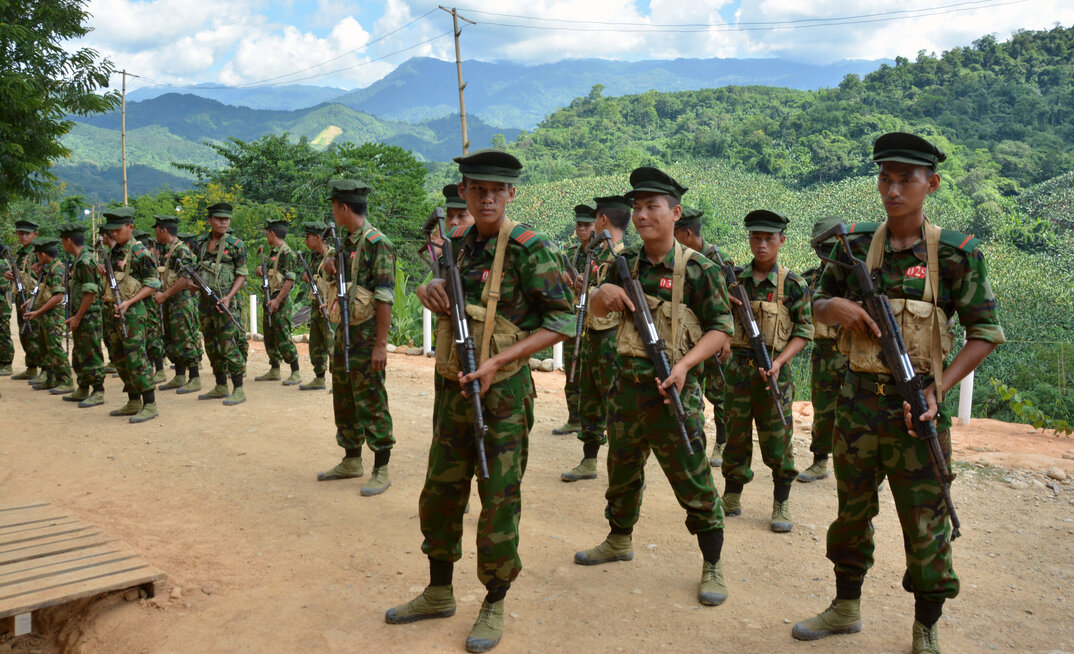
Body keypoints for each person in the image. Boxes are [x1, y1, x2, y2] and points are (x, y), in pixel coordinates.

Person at [792, 133, 1005, 654]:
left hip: (917, 412)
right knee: (851, 512)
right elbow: (816, 301)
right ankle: (845, 606)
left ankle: (925, 625)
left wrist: (940, 388)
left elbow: (985, 333)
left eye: (906, 179)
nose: (893, 188)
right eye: (885, 178)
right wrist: (833, 309)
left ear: (930, 184)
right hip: (858, 402)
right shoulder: (856, 245)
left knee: (926, 524)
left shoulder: (956, 255)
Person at [385, 149, 574, 653]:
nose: (487, 198)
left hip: (504, 394)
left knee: (498, 499)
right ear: (464, 192)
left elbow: (562, 321)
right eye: (477, 189)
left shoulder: (531, 249)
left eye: (497, 190)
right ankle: (439, 590)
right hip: (453, 386)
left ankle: (494, 598)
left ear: (511, 194)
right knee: (441, 491)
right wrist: (428, 289)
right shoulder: (459, 246)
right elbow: (445, 292)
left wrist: (497, 362)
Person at [573, 167, 734, 608]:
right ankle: (618, 539)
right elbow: (595, 307)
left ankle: (712, 564)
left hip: (673, 392)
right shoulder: (620, 265)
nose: (642, 216)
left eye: (652, 207)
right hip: (626, 389)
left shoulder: (699, 269)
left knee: (693, 478)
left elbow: (722, 329)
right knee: (621, 471)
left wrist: (683, 366)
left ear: (674, 212)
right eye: (637, 208)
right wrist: (601, 293)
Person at [721, 209, 812, 532]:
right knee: (735, 436)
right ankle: (732, 496)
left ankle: (781, 502)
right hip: (737, 371)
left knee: (778, 440)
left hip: (774, 372)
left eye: (769, 239)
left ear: (781, 241)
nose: (761, 245)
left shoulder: (793, 285)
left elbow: (804, 331)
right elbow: (719, 320)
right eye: (755, 238)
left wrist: (778, 362)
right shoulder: (735, 281)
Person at [316, 180, 396, 497]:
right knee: (345, 397)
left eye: (335, 207)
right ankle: (351, 459)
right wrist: (334, 268)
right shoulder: (345, 243)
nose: (334, 212)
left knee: (372, 399)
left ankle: (381, 467)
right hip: (345, 334)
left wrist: (380, 345)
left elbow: (385, 297)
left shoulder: (378, 243)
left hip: (366, 336)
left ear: (343, 208)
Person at [561, 194, 629, 482]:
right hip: (590, 333)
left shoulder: (624, 259)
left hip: (612, 339)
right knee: (589, 398)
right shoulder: (596, 255)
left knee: (613, 401)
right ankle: (589, 460)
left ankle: (623, 465)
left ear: (602, 220)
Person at [673, 206, 730, 467]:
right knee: (694, 389)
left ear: (686, 233)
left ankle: (722, 441)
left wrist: (725, 339)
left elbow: (732, 306)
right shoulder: (677, 259)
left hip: (716, 338)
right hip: (689, 338)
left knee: (719, 393)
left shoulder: (717, 261)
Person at [797, 217, 848, 483]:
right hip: (824, 353)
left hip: (854, 355)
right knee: (824, 409)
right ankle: (820, 461)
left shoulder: (857, 276)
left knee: (857, 413)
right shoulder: (809, 279)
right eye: (823, 248)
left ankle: (862, 469)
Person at [99, 207, 161, 423]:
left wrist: (130, 302)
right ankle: (133, 400)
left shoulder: (139, 252)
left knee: (136, 358)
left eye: (118, 230)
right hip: (114, 311)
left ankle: (150, 403)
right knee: (119, 358)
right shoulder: (116, 252)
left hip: (134, 313)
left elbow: (153, 283)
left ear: (130, 227)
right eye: (111, 231)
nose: (114, 234)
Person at [191, 202, 248, 406]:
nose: (223, 222)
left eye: (226, 219)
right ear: (210, 220)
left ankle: (238, 388)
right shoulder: (199, 242)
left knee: (227, 344)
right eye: (219, 218)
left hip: (225, 302)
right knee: (210, 345)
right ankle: (220, 385)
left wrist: (230, 296)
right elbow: (194, 269)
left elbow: (242, 274)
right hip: (205, 302)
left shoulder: (236, 245)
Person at [552, 202, 595, 436]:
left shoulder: (601, 254)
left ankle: (596, 423)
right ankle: (574, 417)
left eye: (586, 225)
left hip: (595, 321)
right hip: (574, 316)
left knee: (594, 374)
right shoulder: (572, 253)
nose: (581, 229)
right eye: (579, 224)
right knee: (572, 367)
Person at [152, 215, 204, 395]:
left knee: (185, 337)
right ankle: (180, 375)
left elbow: (185, 278)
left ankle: (194, 377)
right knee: (173, 339)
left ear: (163, 230)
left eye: (157, 230)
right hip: (170, 302)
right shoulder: (169, 250)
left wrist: (165, 294)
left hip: (180, 302)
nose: (156, 234)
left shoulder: (181, 250)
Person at [58, 222, 106, 407]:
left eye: (63, 240)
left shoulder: (85, 260)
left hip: (88, 315)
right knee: (80, 353)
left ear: (68, 240)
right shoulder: (79, 260)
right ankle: (83, 387)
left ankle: (98, 390)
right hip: (81, 314)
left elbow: (90, 292)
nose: (63, 244)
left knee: (91, 353)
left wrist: (78, 316)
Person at [22, 237, 74, 393]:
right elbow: (45, 290)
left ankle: (66, 381)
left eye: (37, 255)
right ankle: (51, 379)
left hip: (53, 315)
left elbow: (58, 296)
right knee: (46, 349)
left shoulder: (57, 269)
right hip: (45, 314)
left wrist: (38, 311)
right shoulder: (47, 269)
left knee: (55, 348)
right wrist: (32, 300)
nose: (37, 259)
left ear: (43, 254)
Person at [254, 218, 302, 386]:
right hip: (269, 298)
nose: (266, 236)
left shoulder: (287, 253)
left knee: (282, 334)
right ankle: (274, 368)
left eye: (267, 233)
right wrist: (261, 271)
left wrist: (277, 300)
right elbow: (270, 274)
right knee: (269, 334)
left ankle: (295, 371)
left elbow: (289, 280)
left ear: (272, 234)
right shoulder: (272, 254)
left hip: (280, 301)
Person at [298, 220, 333, 391]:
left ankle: (340, 381)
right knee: (316, 344)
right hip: (315, 305)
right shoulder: (314, 258)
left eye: (308, 236)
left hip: (330, 306)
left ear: (318, 237)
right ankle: (319, 377)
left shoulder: (332, 256)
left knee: (332, 343)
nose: (305, 240)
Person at [7, 220, 42, 380]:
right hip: (22, 296)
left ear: (36, 235)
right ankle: (31, 367)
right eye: (20, 233)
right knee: (25, 333)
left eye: (26, 233)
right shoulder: (21, 253)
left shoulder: (38, 253)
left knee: (35, 333)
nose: (22, 236)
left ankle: (45, 368)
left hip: (34, 297)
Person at [135, 228, 167, 385]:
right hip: (141, 303)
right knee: (146, 339)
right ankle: (151, 368)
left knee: (153, 337)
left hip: (150, 303)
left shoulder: (146, 258)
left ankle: (160, 369)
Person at [0, 243, 14, 377]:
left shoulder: (2, 263)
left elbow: (3, 285)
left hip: (3, 304)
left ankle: (7, 364)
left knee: (3, 332)